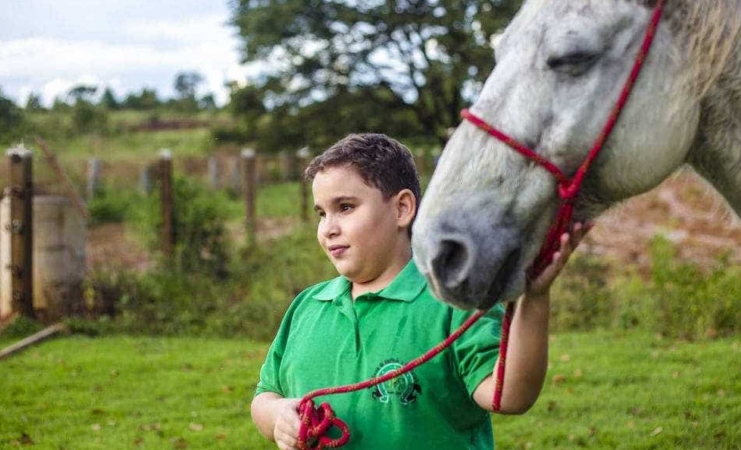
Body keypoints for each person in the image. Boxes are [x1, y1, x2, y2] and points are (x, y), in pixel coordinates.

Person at [250, 133, 590, 449]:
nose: (329, 229)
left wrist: (534, 299)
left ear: (402, 209)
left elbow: (510, 396)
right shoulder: (307, 306)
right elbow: (265, 395)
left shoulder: (453, 302)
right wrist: (278, 415)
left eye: (346, 207)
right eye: (322, 213)